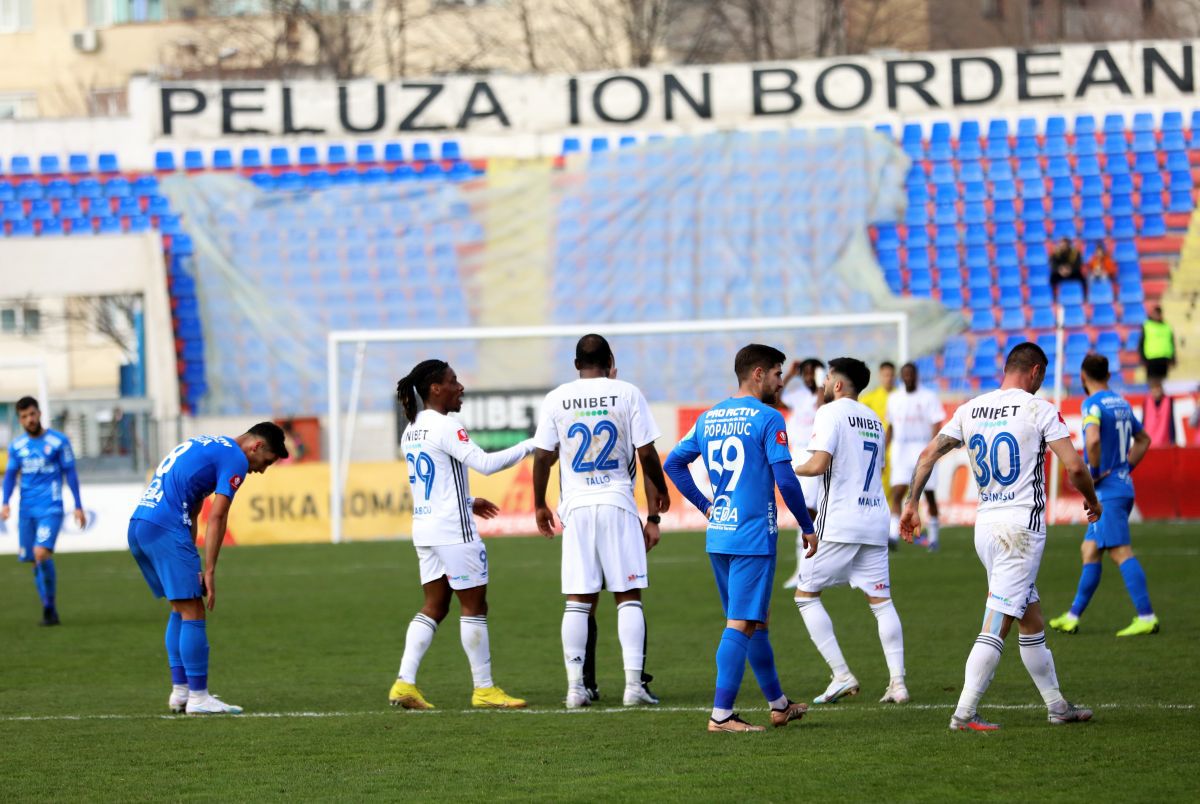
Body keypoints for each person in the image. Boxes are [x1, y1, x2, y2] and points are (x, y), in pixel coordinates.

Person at [901, 342, 1099, 731]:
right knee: (998, 622)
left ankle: (1056, 705)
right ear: (1037, 372)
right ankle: (964, 711)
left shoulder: (970, 408)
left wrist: (911, 504)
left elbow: (927, 455)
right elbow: (1075, 466)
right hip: (1020, 530)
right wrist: (1093, 500)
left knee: (1031, 618)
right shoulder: (1038, 409)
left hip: (986, 526)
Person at [664, 344, 816, 733]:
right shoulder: (768, 418)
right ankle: (721, 715)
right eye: (779, 374)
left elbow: (674, 463)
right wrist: (806, 524)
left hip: (721, 534)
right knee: (741, 624)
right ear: (759, 373)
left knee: (756, 621)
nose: (782, 382)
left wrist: (705, 505)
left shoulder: (710, 416)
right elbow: (784, 478)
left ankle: (778, 705)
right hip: (752, 535)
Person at [532, 334, 670, 708]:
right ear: (610, 360)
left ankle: (576, 688)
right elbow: (646, 453)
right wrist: (658, 495)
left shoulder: (556, 398)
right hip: (617, 503)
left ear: (576, 363)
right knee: (627, 596)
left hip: (576, 507)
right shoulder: (626, 392)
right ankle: (632, 686)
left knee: (578, 600)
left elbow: (543, 456)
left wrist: (539, 504)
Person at [389, 360, 533, 711]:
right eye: (454, 381)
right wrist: (532, 444)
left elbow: (430, 483)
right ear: (436, 389)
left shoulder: (412, 429)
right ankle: (484, 689)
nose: (460, 387)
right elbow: (484, 464)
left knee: (435, 606)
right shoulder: (446, 426)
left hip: (425, 527)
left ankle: (404, 682)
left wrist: (467, 499)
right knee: (474, 605)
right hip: (454, 531)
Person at [128, 422, 287, 715]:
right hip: (165, 528)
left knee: (180, 607)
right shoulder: (236, 458)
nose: (261, 470)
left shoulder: (209, 444)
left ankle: (181, 692)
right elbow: (218, 516)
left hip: (142, 524)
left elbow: (194, 508)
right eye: (265, 462)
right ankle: (199, 698)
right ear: (257, 447)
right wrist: (210, 571)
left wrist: (195, 563)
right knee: (193, 611)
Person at [793, 358, 908, 706]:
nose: (825, 382)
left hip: (841, 520)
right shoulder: (873, 418)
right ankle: (898, 683)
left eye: (827, 377)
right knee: (881, 601)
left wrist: (782, 468)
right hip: (875, 519)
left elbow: (817, 464)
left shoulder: (830, 412)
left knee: (805, 594)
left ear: (839, 385)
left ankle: (842, 674)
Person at [1050, 355, 1156, 637]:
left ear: (1083, 377)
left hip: (1107, 492)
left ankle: (1146, 616)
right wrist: (1125, 467)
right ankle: (1073, 616)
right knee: (1090, 550)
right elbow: (1144, 439)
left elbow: (1093, 439)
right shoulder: (1121, 403)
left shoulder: (1092, 404)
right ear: (1108, 375)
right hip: (1120, 486)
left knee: (1120, 552)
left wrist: (1094, 473)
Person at [1, 396, 85, 626]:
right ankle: (49, 607)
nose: (30, 419)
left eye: (33, 414)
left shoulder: (59, 441)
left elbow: (71, 473)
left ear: (39, 414)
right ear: (20, 419)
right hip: (26, 510)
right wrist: (5, 502)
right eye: (24, 416)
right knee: (34, 561)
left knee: (40, 553)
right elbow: (9, 476)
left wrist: (78, 505)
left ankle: (49, 608)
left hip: (51, 507)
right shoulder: (17, 446)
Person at [885, 363, 944, 550]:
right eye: (905, 375)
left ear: (916, 376)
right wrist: (884, 450)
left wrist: (933, 448)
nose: (908, 378)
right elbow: (891, 426)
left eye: (911, 375)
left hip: (922, 450)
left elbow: (936, 422)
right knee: (898, 493)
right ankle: (893, 536)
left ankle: (934, 538)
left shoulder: (928, 396)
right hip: (901, 451)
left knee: (929, 494)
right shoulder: (894, 398)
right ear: (901, 377)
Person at [780, 357, 824, 588]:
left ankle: (804, 570)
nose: (807, 376)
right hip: (796, 454)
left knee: (807, 512)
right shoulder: (796, 396)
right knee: (805, 511)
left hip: (814, 454)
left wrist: (820, 383)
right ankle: (806, 569)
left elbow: (821, 407)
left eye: (812, 372)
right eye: (804, 373)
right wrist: (789, 374)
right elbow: (774, 399)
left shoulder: (824, 395)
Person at [859, 361, 896, 493]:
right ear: (880, 376)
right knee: (882, 487)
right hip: (878, 448)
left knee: (901, 486)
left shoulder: (900, 396)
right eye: (886, 375)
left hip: (897, 448)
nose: (889, 378)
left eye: (891, 375)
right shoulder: (870, 398)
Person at [1139, 305, 1176, 392]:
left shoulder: (1167, 326)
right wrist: (1143, 358)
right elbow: (1141, 343)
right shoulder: (1147, 326)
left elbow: (1171, 342)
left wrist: (1173, 358)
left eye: (1158, 314)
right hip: (1151, 359)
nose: (1157, 316)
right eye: (1155, 314)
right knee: (1152, 382)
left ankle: (1161, 402)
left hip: (1164, 359)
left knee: (1163, 382)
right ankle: (1152, 401)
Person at [1142, 384, 1176, 448]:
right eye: (1154, 388)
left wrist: (1173, 440)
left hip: (1164, 444)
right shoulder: (1146, 401)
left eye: (1158, 388)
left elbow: (1171, 422)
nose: (1156, 390)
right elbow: (1143, 423)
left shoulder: (1168, 400)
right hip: (1149, 444)